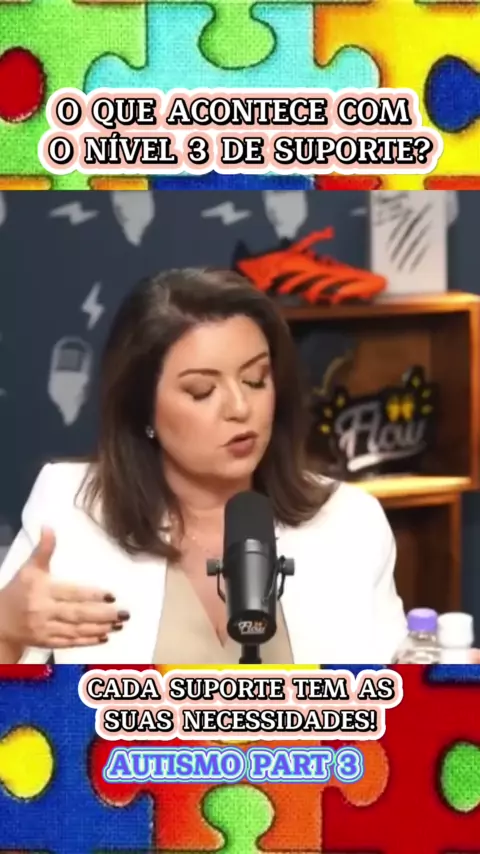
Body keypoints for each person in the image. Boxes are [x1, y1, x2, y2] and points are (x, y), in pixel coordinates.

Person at [0, 268, 408, 665]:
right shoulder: (71, 510)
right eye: (202, 391)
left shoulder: (350, 521)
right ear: (142, 407)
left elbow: (396, 693)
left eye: (256, 379)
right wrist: (6, 631)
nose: (240, 408)